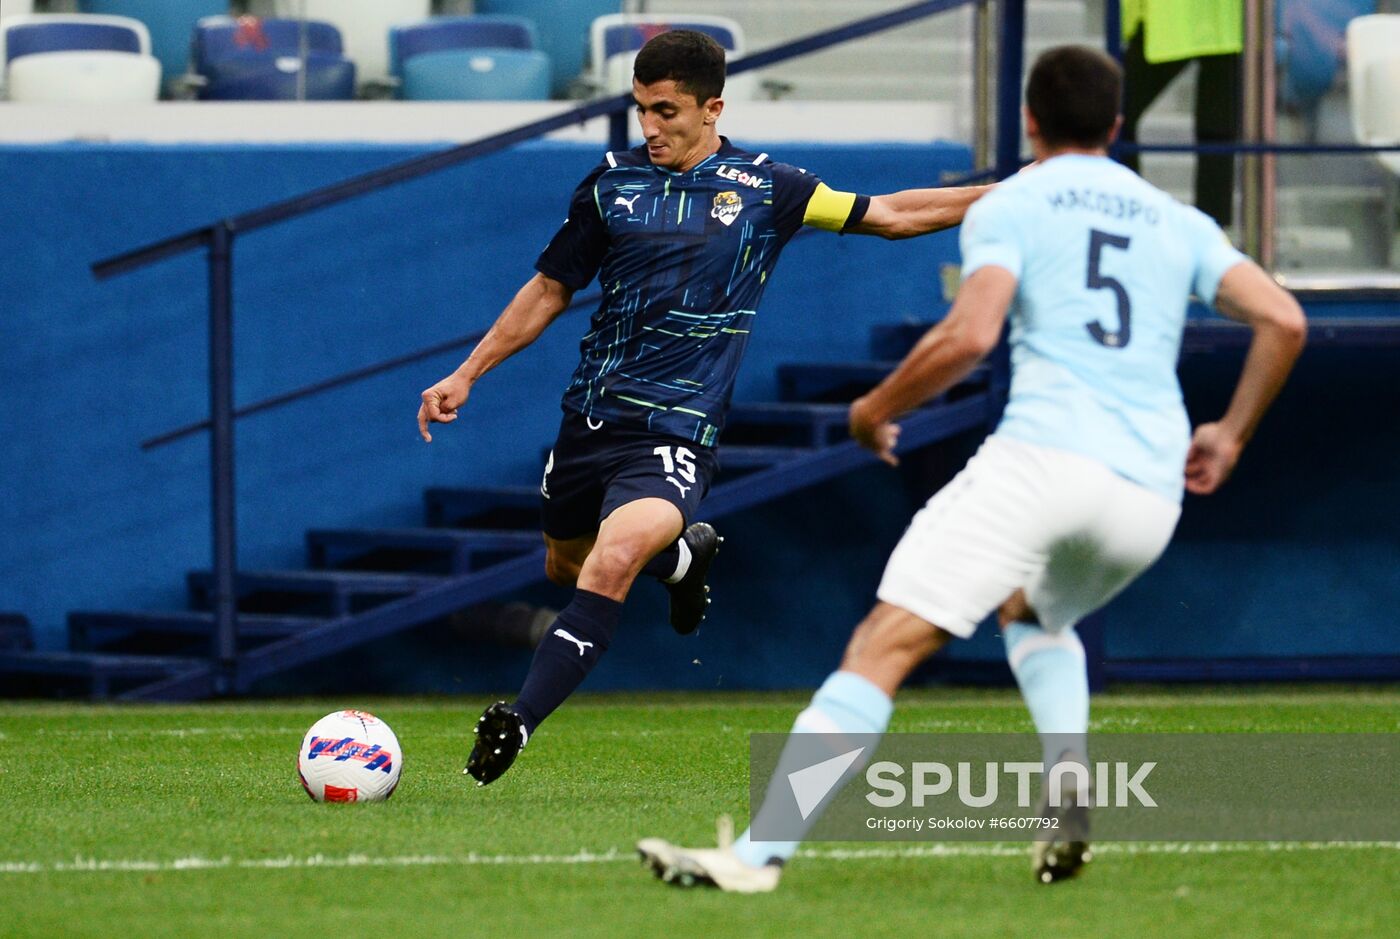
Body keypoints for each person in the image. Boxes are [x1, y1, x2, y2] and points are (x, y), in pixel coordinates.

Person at [637, 43, 1306, 892]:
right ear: (1118, 125)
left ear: (1029, 121)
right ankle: (1066, 786)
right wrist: (1232, 432)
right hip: (1147, 490)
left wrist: (875, 409)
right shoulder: (1174, 217)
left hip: (1042, 462)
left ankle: (758, 856)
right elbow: (1283, 319)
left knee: (882, 646)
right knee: (1033, 612)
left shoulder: (1016, 200)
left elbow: (970, 334)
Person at [417, 29, 991, 787]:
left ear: (712, 107)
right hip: (591, 418)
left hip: (676, 429)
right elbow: (551, 289)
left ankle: (517, 720)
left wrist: (1007, 194)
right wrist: (468, 372)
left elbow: (891, 213)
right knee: (566, 564)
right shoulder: (609, 185)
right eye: (640, 111)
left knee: (615, 559)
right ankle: (684, 557)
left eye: (666, 111)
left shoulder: (769, 188)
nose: (650, 127)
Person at [1118, 0, 1242, 227]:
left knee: (1216, 132)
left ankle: (1129, 213)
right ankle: (1129, 212)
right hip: (1210, 20)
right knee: (1216, 132)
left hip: (1188, 16)